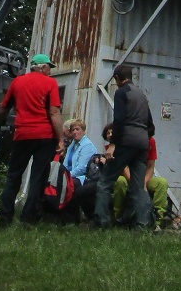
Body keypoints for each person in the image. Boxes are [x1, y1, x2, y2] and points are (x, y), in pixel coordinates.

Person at [0, 53, 63, 227]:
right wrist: (60, 139)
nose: (49, 71)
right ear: (41, 67)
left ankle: (4, 216)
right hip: (44, 136)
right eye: (48, 67)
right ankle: (28, 219)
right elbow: (54, 112)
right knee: (38, 177)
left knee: (13, 176)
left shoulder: (17, 82)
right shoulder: (50, 83)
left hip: (22, 134)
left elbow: (4, 107)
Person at [94, 64, 154, 229]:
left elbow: (119, 120)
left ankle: (102, 222)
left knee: (105, 182)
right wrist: (142, 137)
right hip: (142, 144)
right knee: (138, 186)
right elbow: (151, 125)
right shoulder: (142, 94)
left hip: (126, 141)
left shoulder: (121, 92)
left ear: (117, 78)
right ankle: (143, 225)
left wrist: (113, 144)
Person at [112, 132, 170, 228]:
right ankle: (118, 217)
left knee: (162, 183)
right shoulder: (126, 140)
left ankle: (157, 220)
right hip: (127, 176)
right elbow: (124, 166)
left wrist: (143, 182)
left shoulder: (151, 141)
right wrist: (134, 181)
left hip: (144, 178)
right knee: (120, 182)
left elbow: (151, 166)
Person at [63, 118, 100, 221]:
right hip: (69, 175)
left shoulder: (87, 145)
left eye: (78, 129)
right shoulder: (72, 145)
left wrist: (67, 176)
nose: (75, 132)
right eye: (73, 130)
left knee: (71, 185)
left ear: (83, 131)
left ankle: (72, 218)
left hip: (83, 177)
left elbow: (82, 168)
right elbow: (65, 164)